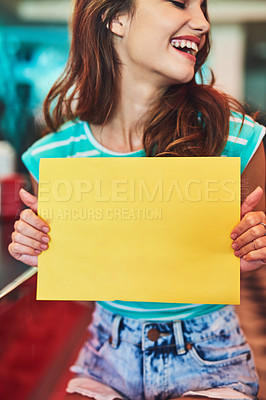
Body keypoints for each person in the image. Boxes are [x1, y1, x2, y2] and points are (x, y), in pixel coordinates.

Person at [8, 0, 266, 399]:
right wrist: (45, 253)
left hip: (211, 357)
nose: (200, 22)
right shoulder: (54, 156)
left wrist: (253, 252)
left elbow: (246, 261)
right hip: (105, 358)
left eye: (203, 8)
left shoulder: (235, 139)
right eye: (180, 2)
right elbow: (85, 290)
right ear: (116, 18)